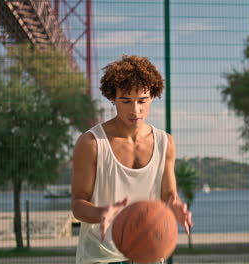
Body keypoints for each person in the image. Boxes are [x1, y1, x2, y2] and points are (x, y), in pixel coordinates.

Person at [71, 55, 193, 264]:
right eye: (126, 101)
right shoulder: (91, 143)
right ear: (113, 99)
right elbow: (78, 204)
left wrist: (175, 207)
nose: (135, 110)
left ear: (152, 96)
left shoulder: (166, 143)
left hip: (149, 254)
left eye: (142, 100)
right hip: (101, 257)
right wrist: (103, 213)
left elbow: (168, 195)